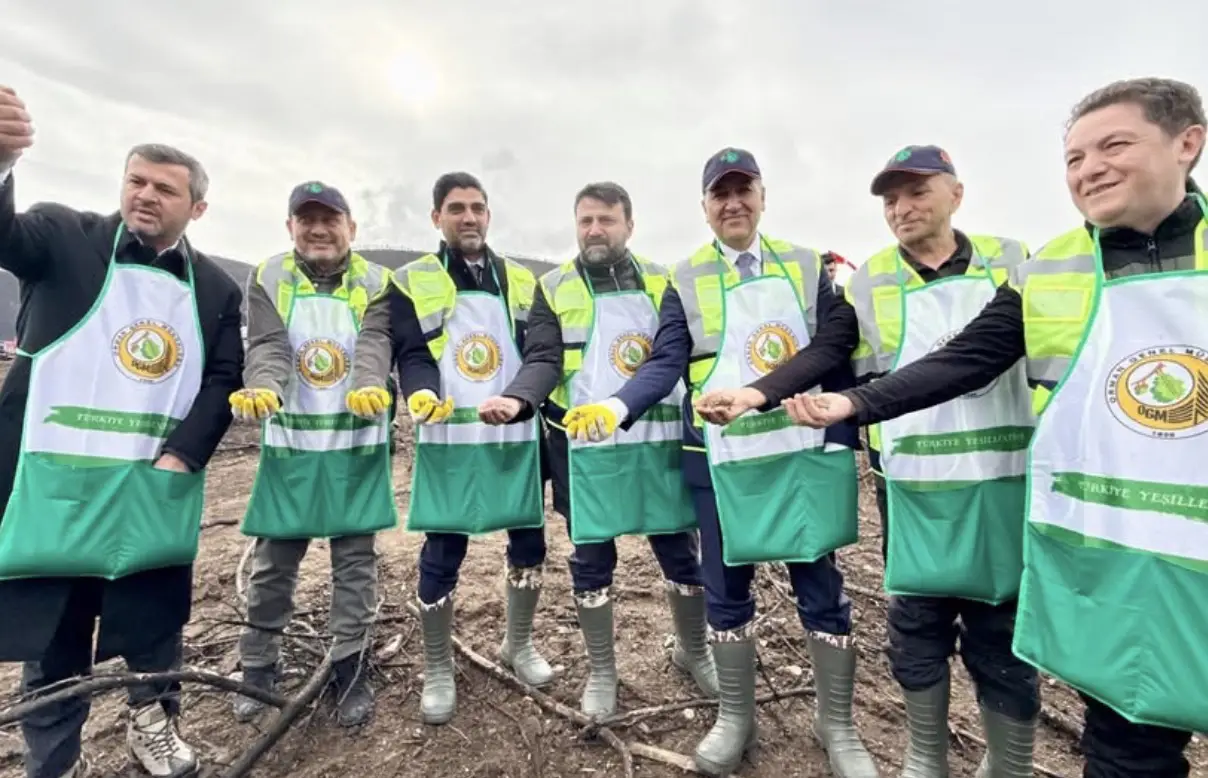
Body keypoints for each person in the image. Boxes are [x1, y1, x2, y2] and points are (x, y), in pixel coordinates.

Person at [786, 77, 1208, 778]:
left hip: (1040, 506)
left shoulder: (1012, 258)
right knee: (1125, 739)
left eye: (1113, 146)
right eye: (1074, 158)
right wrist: (851, 405)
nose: (1089, 169)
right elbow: (963, 360)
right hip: (1093, 542)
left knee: (1006, 644)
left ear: (1187, 143)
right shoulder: (1050, 271)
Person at [563, 148, 878, 777]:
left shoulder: (807, 264)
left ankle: (836, 723)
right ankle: (735, 716)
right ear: (704, 206)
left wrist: (763, 393)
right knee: (726, 584)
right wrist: (618, 407)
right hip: (721, 455)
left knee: (818, 581)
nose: (733, 203)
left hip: (799, 449)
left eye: (744, 190)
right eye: (720, 194)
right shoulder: (686, 278)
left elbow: (834, 342)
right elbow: (665, 358)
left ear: (763, 195)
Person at [733, 145, 1042, 776]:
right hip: (914, 487)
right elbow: (828, 349)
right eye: (890, 200)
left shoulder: (1015, 263)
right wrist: (758, 393)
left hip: (1005, 485)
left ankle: (1006, 764)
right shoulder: (872, 279)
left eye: (916, 193)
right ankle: (923, 758)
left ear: (956, 194)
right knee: (916, 625)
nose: (901, 209)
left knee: (1003, 633)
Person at [0, 86, 243, 778]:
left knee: (153, 623)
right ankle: (53, 757)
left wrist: (184, 456)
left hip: (151, 479)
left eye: (165, 189)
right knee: (55, 635)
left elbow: (222, 380)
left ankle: (153, 724)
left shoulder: (217, 289)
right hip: (57, 477)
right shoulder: (61, 236)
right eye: (136, 180)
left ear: (196, 207)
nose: (145, 195)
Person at [476, 181, 717, 716]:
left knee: (679, 549)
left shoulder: (665, 280)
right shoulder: (555, 286)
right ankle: (603, 672)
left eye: (606, 220)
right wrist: (519, 399)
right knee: (592, 557)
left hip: (659, 439)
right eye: (585, 220)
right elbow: (543, 358)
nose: (594, 230)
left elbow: (677, 352)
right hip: (584, 447)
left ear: (630, 225)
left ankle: (694, 651)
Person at [347, 172, 550, 725]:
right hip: (449, 435)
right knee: (443, 551)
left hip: (514, 434)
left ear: (489, 215)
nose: (469, 217)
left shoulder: (521, 281)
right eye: (457, 208)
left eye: (478, 208)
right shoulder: (414, 280)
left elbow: (540, 354)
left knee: (529, 542)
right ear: (436, 217)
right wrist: (420, 394)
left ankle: (519, 643)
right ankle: (437, 666)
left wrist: (521, 400)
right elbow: (411, 351)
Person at [226, 182, 398, 728]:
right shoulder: (269, 275)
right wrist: (265, 388)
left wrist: (370, 385)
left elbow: (375, 342)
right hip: (293, 444)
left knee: (355, 562)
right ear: (290, 227)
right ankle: (257, 666)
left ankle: (350, 666)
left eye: (330, 219)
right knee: (274, 562)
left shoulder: (378, 281)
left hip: (355, 442)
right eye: (307, 219)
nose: (318, 229)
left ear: (352, 226)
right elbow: (269, 345)